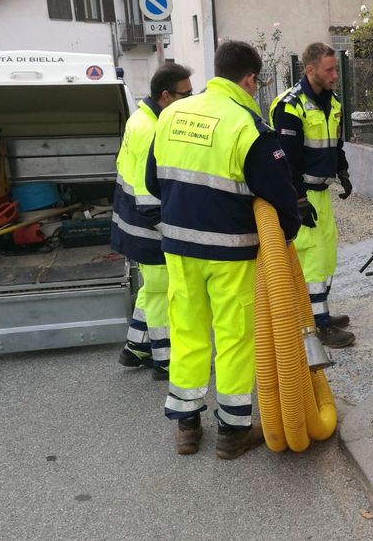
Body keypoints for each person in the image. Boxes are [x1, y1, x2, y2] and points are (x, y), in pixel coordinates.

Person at [145, 40, 300, 459]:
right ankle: (232, 432)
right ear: (249, 79)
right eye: (257, 83)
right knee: (234, 338)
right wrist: (286, 235)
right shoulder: (246, 125)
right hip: (230, 250)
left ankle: (186, 427)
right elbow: (279, 194)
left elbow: (154, 182)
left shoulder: (171, 114)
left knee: (187, 332)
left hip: (179, 247)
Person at [269, 42, 355, 348]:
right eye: (329, 70)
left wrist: (342, 171)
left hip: (322, 193)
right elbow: (286, 161)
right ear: (309, 70)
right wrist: (299, 201)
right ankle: (317, 325)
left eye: (335, 69)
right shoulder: (290, 106)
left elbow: (335, 144)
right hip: (302, 194)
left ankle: (320, 312)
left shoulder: (333, 103)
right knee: (314, 259)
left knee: (327, 253)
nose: (335, 75)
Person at [113, 63, 193, 380]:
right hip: (147, 226)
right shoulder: (151, 130)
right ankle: (165, 360)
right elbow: (148, 196)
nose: (190, 100)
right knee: (162, 292)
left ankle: (136, 348)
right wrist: (169, 230)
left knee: (152, 288)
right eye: (186, 94)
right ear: (165, 95)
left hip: (132, 222)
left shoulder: (142, 118)